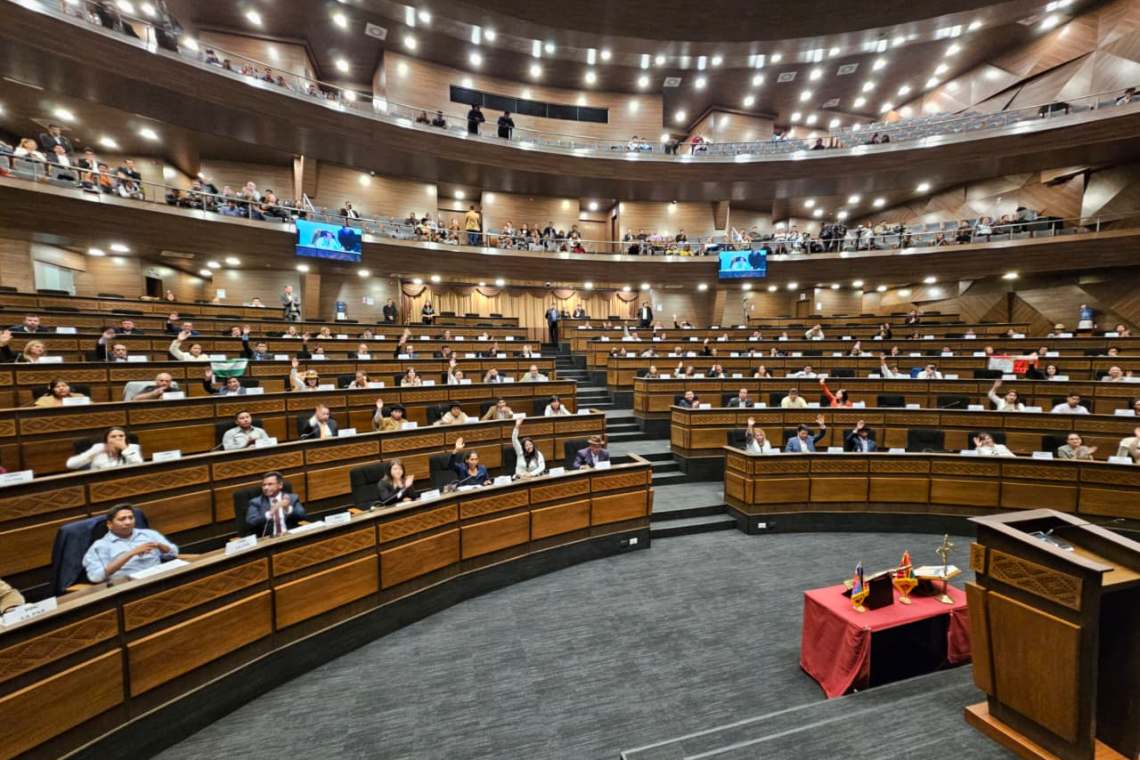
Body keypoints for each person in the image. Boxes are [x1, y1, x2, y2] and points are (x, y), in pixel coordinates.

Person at [82, 505, 179, 583]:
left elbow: (173, 552)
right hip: (128, 586)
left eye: (131, 518)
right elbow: (96, 576)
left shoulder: (149, 534)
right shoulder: (100, 546)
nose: (128, 522)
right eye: (122, 519)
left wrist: (159, 545)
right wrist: (131, 553)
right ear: (109, 524)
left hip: (159, 579)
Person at [246, 471, 307, 537]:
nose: (266, 488)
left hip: (290, 536)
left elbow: (302, 515)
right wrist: (270, 513)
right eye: (264, 485)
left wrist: (288, 508)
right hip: (268, 540)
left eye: (270, 484)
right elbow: (251, 522)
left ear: (280, 485)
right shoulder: (256, 502)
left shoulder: (292, 498)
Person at [66, 427, 143, 470]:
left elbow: (139, 467)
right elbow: (71, 464)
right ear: (107, 440)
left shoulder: (132, 448)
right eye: (113, 437)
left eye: (121, 436)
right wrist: (93, 455)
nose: (118, 439)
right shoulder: (99, 447)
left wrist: (125, 449)